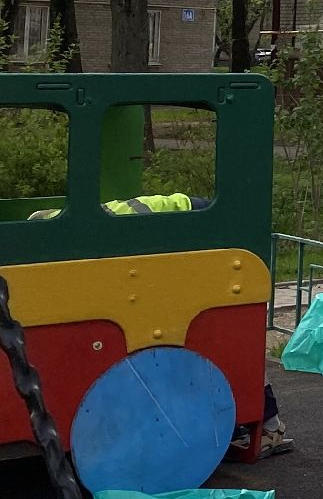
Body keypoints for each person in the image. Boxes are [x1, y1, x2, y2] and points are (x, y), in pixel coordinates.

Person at [29, 192, 293, 457]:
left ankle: (269, 425)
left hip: (200, 227)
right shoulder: (60, 227)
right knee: (220, 340)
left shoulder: (69, 237)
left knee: (228, 338)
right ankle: (245, 420)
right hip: (188, 229)